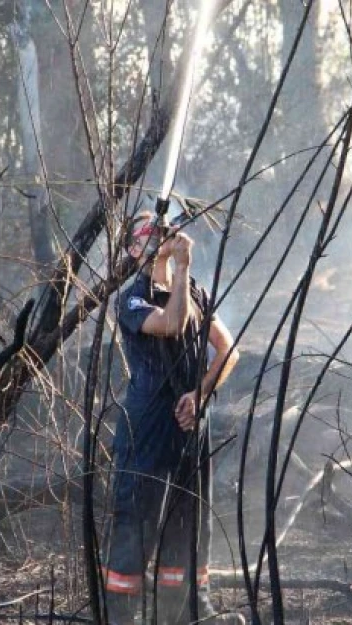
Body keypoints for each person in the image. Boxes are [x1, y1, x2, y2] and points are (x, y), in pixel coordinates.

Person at [103, 211, 242, 624]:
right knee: (136, 523)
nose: (164, 233)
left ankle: (185, 613)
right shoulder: (131, 297)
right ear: (134, 247)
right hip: (146, 428)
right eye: (152, 230)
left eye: (165, 227)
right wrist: (178, 266)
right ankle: (122, 616)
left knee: (190, 522)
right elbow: (172, 322)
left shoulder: (194, 290)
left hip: (189, 427)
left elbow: (229, 350)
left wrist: (200, 394)